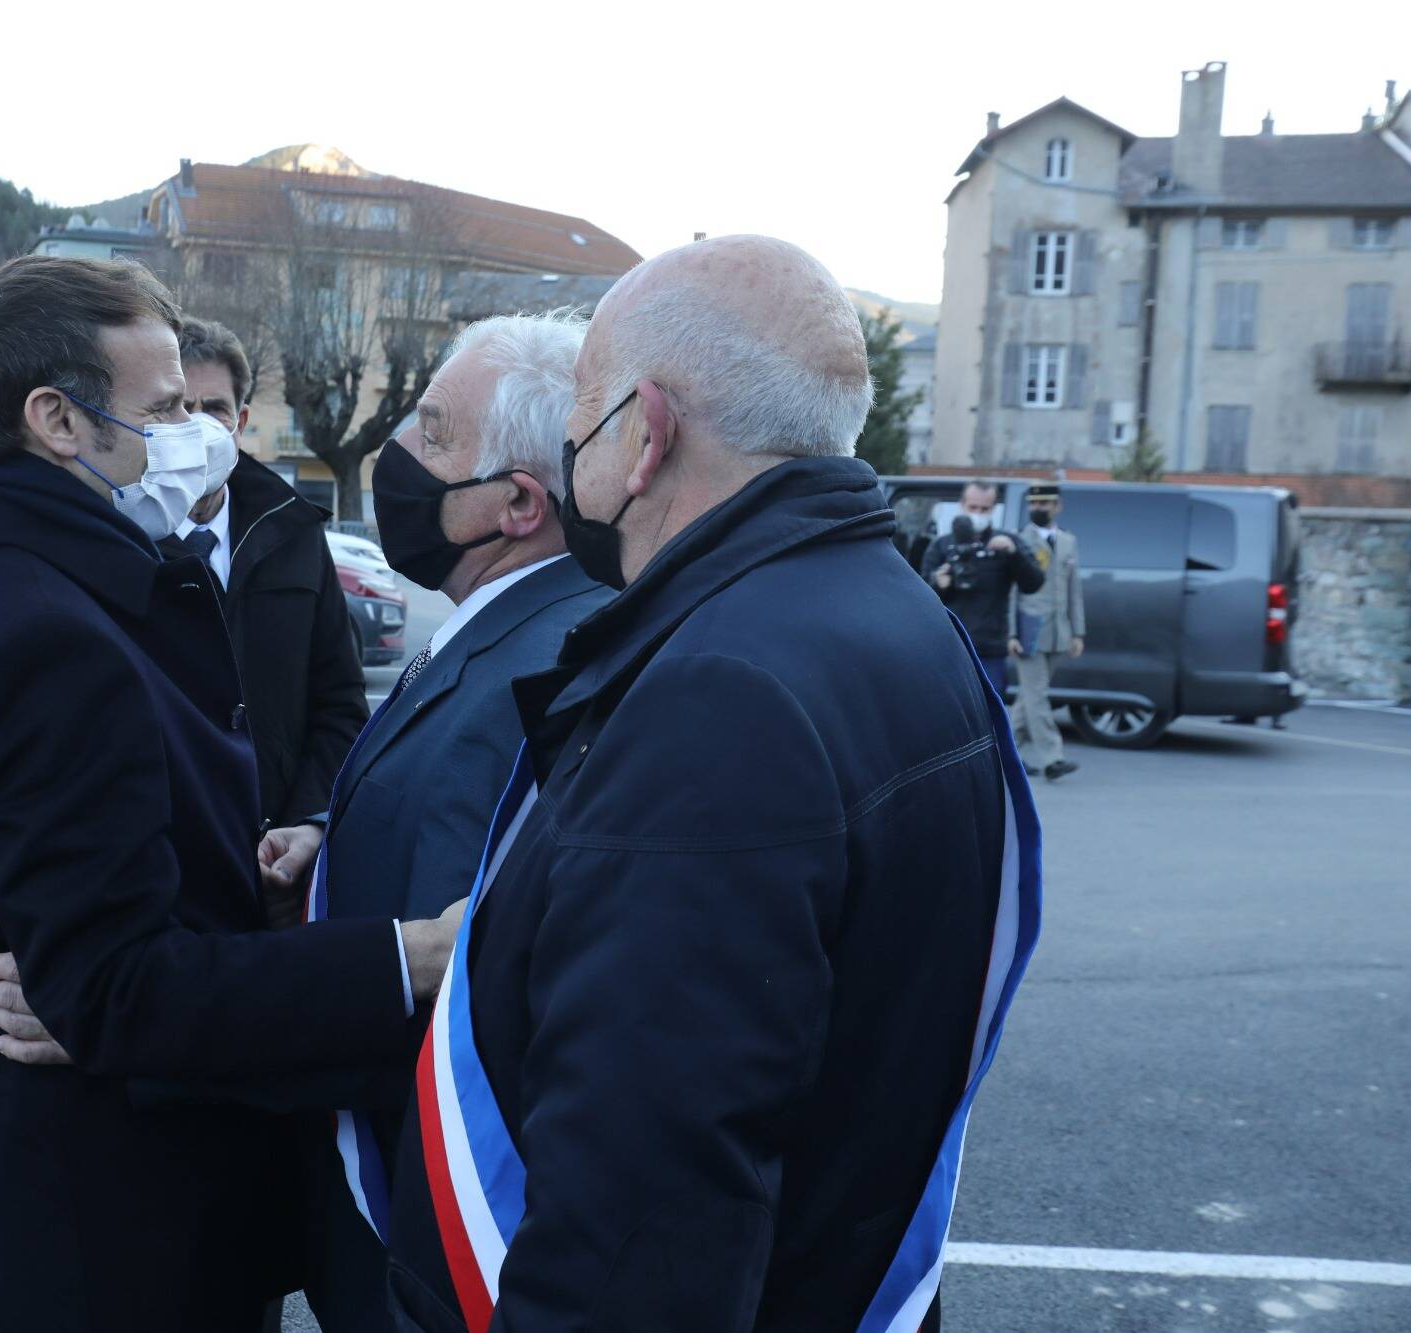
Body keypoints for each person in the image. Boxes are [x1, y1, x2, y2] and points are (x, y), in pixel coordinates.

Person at [380, 236, 1041, 1331]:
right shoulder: (891, 609)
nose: (567, 455)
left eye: (579, 419)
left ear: (643, 432)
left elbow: (645, 1212)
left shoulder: (718, 694)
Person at [0, 254, 458, 1332]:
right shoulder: (45, 633)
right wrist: (401, 957)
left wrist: (244, 885)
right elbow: (115, 990)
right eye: (164, 407)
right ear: (57, 419)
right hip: (114, 1235)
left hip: (75, 1203)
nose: (197, 434)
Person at [248, 311, 613, 1331]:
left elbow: (458, 967)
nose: (398, 455)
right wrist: (336, 853)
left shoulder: (539, 661)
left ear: (517, 504)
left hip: (416, 1211)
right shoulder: (500, 624)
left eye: (434, 432)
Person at [160, 316, 368, 828]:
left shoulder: (294, 535)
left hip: (276, 849)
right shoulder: (117, 541)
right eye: (181, 408)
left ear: (241, 420)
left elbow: (339, 702)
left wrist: (306, 823)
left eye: (214, 409)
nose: (199, 424)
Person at [921, 478, 1045, 684]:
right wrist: (938, 583)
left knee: (989, 711)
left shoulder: (1006, 542)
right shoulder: (942, 546)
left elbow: (1034, 584)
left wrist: (1014, 554)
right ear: (962, 505)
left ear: (994, 509)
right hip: (950, 646)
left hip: (990, 648)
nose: (977, 514)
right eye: (973, 507)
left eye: (985, 509)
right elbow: (920, 598)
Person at [1015, 481, 1084, 779]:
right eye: (1034, 504)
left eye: (1044, 504)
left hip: (1059, 632)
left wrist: (1078, 632)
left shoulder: (1069, 542)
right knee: (1038, 695)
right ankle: (1052, 758)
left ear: (1058, 506)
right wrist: (1010, 633)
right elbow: (1010, 593)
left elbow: (1074, 590)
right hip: (1028, 630)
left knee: (1028, 699)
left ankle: (1005, 754)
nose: (1038, 509)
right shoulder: (1020, 540)